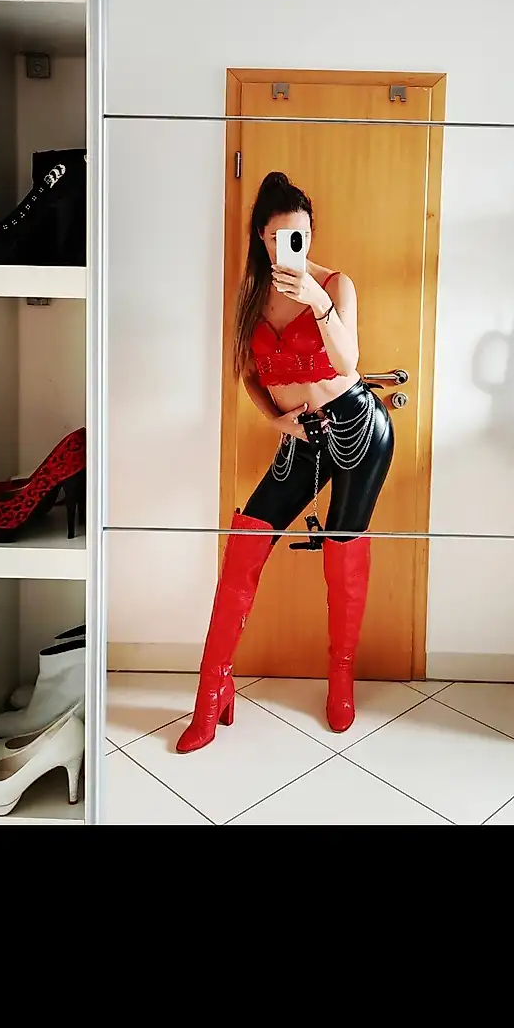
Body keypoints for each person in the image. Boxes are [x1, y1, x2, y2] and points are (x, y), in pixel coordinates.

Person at [176, 171, 394, 753]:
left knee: (342, 550)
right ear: (261, 236)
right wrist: (276, 421)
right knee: (244, 544)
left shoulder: (336, 285)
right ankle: (211, 692)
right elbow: (248, 375)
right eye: (279, 237)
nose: (290, 247)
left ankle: (340, 679)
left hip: (358, 425)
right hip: (302, 435)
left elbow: (349, 362)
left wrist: (318, 302)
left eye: (300, 235)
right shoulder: (251, 294)